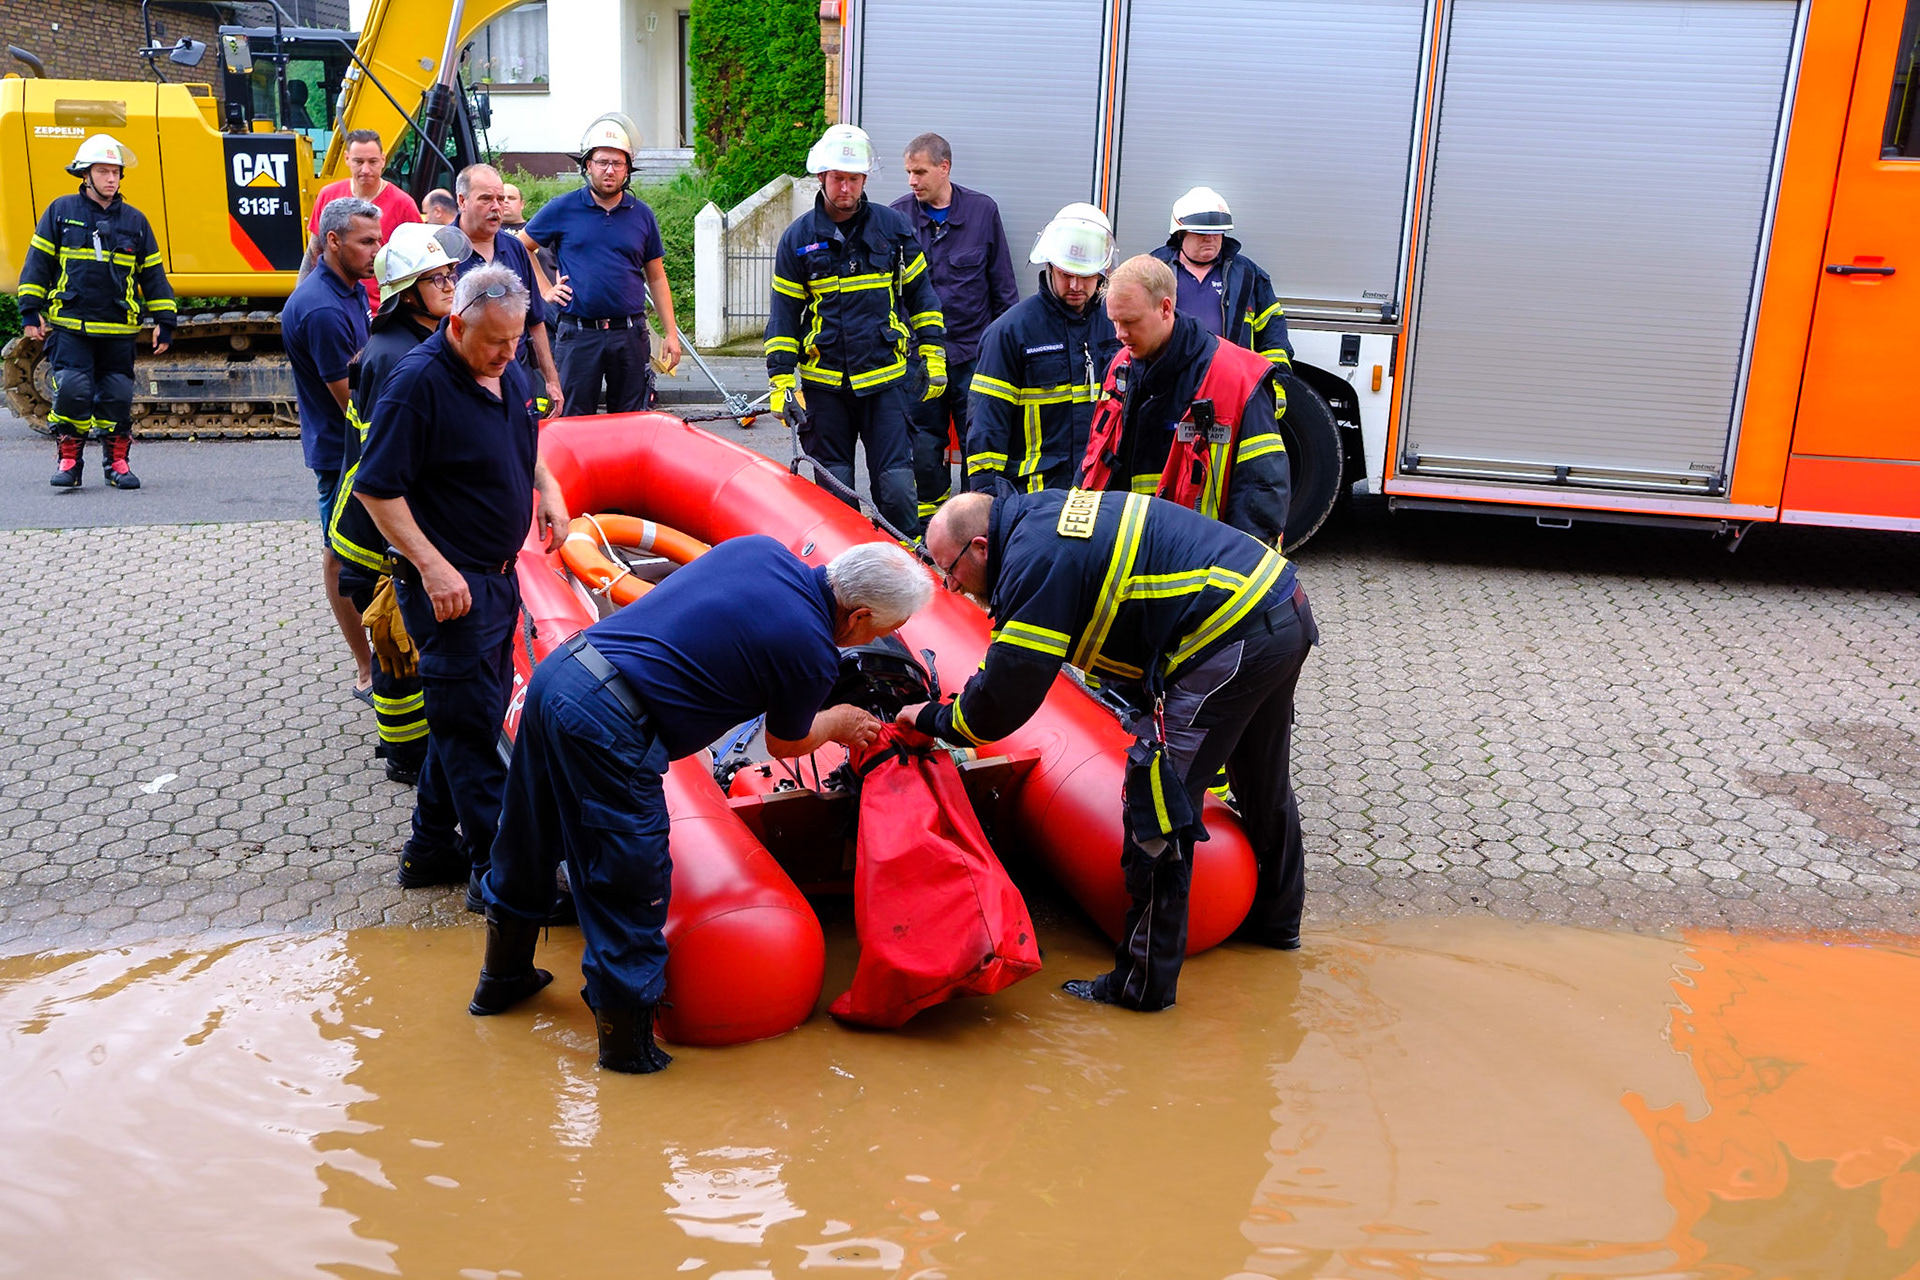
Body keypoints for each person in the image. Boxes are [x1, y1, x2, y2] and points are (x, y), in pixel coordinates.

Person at [470, 538, 933, 1073]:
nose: (875, 638)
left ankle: (501, 982)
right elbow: (785, 742)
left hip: (565, 672)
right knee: (628, 879)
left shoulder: (763, 551)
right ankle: (627, 1055)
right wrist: (840, 722)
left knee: (530, 834)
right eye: (878, 631)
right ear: (860, 616)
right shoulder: (810, 650)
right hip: (611, 725)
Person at [905, 490, 1316, 1011]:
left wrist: (936, 719)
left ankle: (1142, 985)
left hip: (1229, 635)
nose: (950, 586)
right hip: (1277, 609)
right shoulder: (1040, 522)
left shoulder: (1036, 560)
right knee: (1262, 780)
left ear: (981, 547)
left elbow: (1007, 694)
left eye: (950, 570)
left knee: (1156, 801)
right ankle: (1276, 928)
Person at [354, 264, 570, 902]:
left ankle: (427, 851)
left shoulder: (507, 367)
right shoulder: (416, 384)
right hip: (451, 591)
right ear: (457, 323)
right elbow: (376, 487)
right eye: (495, 342)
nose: (508, 354)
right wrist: (432, 566)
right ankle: (502, 878)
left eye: (515, 341)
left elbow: (523, 439)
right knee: (473, 733)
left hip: (498, 583)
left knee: (463, 720)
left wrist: (549, 489)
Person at [328, 222, 470, 800]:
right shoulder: (396, 354)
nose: (448, 284)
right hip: (375, 530)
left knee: (403, 644)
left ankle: (406, 744)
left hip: (388, 522)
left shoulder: (417, 337)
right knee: (395, 645)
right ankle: (405, 755)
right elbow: (391, 468)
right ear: (405, 290)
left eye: (449, 275)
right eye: (436, 277)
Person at [767, 124, 947, 536]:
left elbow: (922, 296)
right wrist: (781, 381)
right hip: (824, 386)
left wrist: (933, 353)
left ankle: (905, 566)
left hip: (885, 380)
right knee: (834, 489)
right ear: (821, 177)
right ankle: (844, 573)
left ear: (864, 179)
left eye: (853, 178)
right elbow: (784, 317)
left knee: (898, 486)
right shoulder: (798, 240)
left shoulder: (893, 229)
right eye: (838, 178)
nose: (845, 188)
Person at [1080, 256, 1290, 547]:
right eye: (1114, 321)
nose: (1120, 334)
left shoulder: (1238, 377)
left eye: (1129, 321)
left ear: (1165, 308)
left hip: (1203, 558)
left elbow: (1262, 489)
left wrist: (1241, 568)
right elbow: (1095, 459)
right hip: (1131, 551)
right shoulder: (1120, 366)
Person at [17, 133, 175, 490]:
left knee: (118, 395)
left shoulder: (135, 221)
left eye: (116, 172)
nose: (111, 179)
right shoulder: (60, 212)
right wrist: (30, 311)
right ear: (85, 175)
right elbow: (37, 265)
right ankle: (69, 462)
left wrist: (164, 320)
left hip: (118, 327)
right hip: (71, 325)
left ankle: (117, 464)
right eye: (103, 171)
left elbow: (152, 275)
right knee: (72, 389)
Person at [889, 133, 1018, 524]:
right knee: (924, 452)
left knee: (980, 449)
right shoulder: (896, 219)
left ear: (944, 168)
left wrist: (1005, 357)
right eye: (908, 172)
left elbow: (1003, 287)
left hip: (974, 358)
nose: (912, 181)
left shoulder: (982, 213)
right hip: (918, 361)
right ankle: (931, 529)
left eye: (920, 171)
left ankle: (974, 527)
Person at [283, 197, 382, 699]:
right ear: (334, 241)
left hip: (351, 445)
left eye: (379, 239)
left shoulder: (347, 288)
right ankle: (365, 668)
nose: (376, 250)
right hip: (340, 454)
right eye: (367, 241)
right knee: (339, 558)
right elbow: (353, 399)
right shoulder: (320, 307)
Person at [521, 112, 681, 415]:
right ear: (587, 166)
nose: (609, 170)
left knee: (630, 422)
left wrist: (671, 334)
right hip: (578, 336)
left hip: (630, 336)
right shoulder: (562, 208)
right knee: (573, 421)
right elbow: (521, 247)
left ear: (628, 170)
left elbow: (657, 278)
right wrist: (544, 289)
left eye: (617, 163)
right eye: (602, 162)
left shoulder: (642, 215)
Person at [967, 203, 1121, 495]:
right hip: (1035, 496)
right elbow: (988, 423)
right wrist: (986, 498)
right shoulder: (1010, 331)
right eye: (1065, 274)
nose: (1075, 285)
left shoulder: (1117, 326)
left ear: (1103, 271)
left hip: (1102, 489)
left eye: (1086, 275)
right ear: (1048, 264)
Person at [455, 163, 563, 416]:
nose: (496, 207)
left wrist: (551, 379)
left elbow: (535, 320)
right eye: (485, 199)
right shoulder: (441, 252)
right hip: (462, 381)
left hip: (516, 377)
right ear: (462, 201)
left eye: (500, 199)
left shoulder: (515, 249)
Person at [1150, 187, 1292, 370]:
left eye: (1216, 233)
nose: (1210, 239)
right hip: (1168, 382)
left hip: (1230, 383)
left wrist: (1270, 386)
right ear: (1180, 234)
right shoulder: (1153, 271)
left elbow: (1274, 339)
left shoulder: (1248, 276)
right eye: (1201, 233)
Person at [301, 129, 423, 310]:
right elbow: (314, 253)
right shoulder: (329, 196)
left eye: (372, 162)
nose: (365, 169)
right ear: (347, 159)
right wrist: (299, 297)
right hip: (334, 306)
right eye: (359, 161)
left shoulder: (403, 205)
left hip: (383, 313)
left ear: (383, 160)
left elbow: (419, 263)